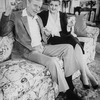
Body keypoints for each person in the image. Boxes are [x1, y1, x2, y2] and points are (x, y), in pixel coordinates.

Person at [0, 0, 98, 100]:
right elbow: (3, 32)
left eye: (39, 7)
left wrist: (46, 34)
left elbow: (44, 38)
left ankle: (69, 82)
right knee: (52, 61)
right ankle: (67, 92)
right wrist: (7, 12)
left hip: (42, 46)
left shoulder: (38, 18)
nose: (37, 9)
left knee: (68, 47)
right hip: (28, 50)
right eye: (35, 6)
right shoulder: (16, 15)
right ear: (28, 3)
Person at [38, 0, 99, 90]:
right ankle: (87, 76)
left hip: (64, 36)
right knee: (74, 41)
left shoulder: (62, 15)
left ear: (59, 6)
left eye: (55, 5)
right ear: (48, 5)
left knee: (75, 43)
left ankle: (84, 75)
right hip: (53, 38)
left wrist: (69, 26)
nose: (53, 7)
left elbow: (66, 31)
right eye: (51, 5)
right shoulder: (43, 15)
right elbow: (35, 20)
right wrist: (43, 31)